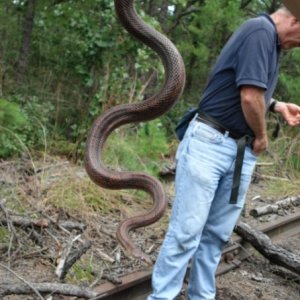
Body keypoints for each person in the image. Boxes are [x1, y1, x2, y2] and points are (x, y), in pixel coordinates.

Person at [147, 5, 300, 300]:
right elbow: (248, 95)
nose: (297, 46)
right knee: (186, 233)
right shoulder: (260, 31)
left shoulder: (271, 41)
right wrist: (262, 135)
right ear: (295, 20)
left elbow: (240, 85)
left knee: (215, 236)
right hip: (211, 144)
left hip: (237, 152)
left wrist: (276, 105)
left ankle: (201, 297)